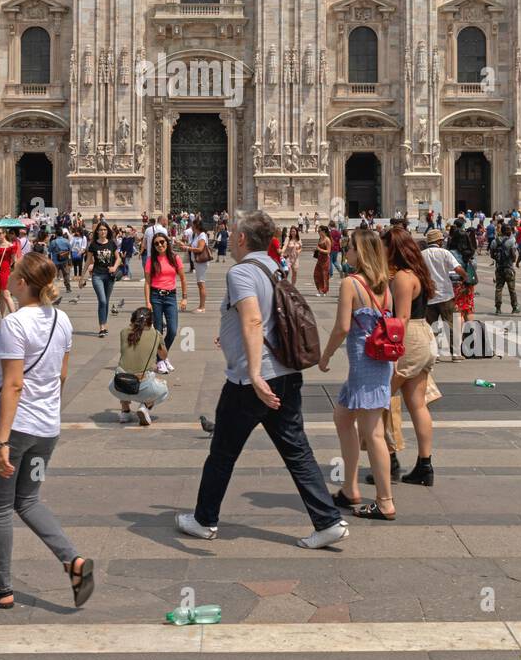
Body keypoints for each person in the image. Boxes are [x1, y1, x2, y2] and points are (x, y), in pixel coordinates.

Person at [175, 210, 348, 550]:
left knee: (222, 452)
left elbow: (254, 320)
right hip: (285, 372)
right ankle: (328, 521)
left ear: (240, 239)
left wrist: (253, 374)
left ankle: (204, 520)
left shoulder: (241, 272)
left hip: (252, 381)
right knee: (297, 450)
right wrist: (231, 336)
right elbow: (268, 317)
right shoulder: (275, 266)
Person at [0, 252, 93, 611]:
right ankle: (73, 560)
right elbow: (62, 374)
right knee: (28, 500)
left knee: (0, 508)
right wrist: (49, 414)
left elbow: (13, 385)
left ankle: (0, 589)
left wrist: (3, 440)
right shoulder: (62, 319)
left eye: (13, 273)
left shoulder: (14, 325)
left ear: (22, 282)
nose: (7, 275)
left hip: (12, 425)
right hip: (45, 427)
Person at [320, 229, 396, 520]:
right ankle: (350, 488)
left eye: (349, 247)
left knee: (374, 433)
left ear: (360, 252)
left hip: (366, 365)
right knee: (342, 418)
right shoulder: (383, 286)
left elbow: (341, 327)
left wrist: (325, 356)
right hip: (375, 364)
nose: (346, 251)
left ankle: (385, 501)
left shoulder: (350, 283)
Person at [383, 227, 437, 487]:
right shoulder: (419, 273)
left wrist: (393, 353)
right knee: (417, 404)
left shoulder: (403, 278)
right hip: (422, 334)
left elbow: (401, 318)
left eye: (384, 248)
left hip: (408, 338)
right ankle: (424, 466)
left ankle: (389, 460)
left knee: (379, 400)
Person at [109, 305, 170, 426]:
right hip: (143, 387)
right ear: (151, 322)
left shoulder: (123, 332)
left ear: (132, 320)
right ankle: (145, 406)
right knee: (164, 390)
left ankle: (125, 412)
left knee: (125, 371)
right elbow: (163, 356)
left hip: (117, 386)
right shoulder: (156, 335)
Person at [143, 231, 188, 365]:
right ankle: (161, 360)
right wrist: (147, 302)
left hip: (171, 296)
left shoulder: (175, 258)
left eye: (162, 242)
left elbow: (183, 279)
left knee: (173, 330)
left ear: (167, 243)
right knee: (158, 331)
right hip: (155, 296)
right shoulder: (151, 260)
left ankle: (161, 357)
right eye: (156, 243)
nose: (160, 245)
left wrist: (184, 297)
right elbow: (147, 283)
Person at [420, 228, 463, 356]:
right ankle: (455, 353)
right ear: (439, 241)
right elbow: (457, 268)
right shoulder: (445, 253)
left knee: (431, 326)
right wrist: (465, 277)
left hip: (429, 295)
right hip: (446, 295)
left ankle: (435, 353)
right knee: (451, 324)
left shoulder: (422, 254)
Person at [82, 221, 121, 339]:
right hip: (97, 275)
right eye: (101, 230)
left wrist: (114, 267)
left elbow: (118, 258)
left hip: (109, 276)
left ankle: (104, 324)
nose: (103, 232)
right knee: (103, 301)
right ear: (97, 232)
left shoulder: (112, 243)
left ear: (107, 231)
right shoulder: (93, 245)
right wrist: (82, 276)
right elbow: (88, 261)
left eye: (105, 230)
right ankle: (102, 327)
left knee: (106, 301)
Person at [489, 223, 519, 315]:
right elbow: (513, 256)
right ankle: (515, 307)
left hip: (499, 268)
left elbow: (492, 254)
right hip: (509, 268)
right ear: (506, 231)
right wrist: (512, 259)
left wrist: (498, 259)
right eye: (509, 230)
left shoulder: (495, 241)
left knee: (498, 288)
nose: (510, 231)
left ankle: (498, 308)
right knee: (512, 289)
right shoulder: (511, 241)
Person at [191, 217, 211, 312]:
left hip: (201, 262)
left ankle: (202, 307)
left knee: (201, 283)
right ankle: (200, 305)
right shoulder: (197, 235)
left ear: (197, 226)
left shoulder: (202, 235)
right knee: (199, 283)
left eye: (193, 225)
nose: (191, 227)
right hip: (197, 262)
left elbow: (200, 249)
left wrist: (188, 248)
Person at [313, 225, 332, 296]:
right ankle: (320, 290)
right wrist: (316, 250)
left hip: (325, 260)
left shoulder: (327, 240)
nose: (318, 232)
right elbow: (319, 249)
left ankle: (324, 291)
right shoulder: (320, 239)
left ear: (323, 231)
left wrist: (319, 249)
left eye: (319, 231)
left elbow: (328, 251)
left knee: (324, 276)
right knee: (316, 275)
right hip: (319, 259)